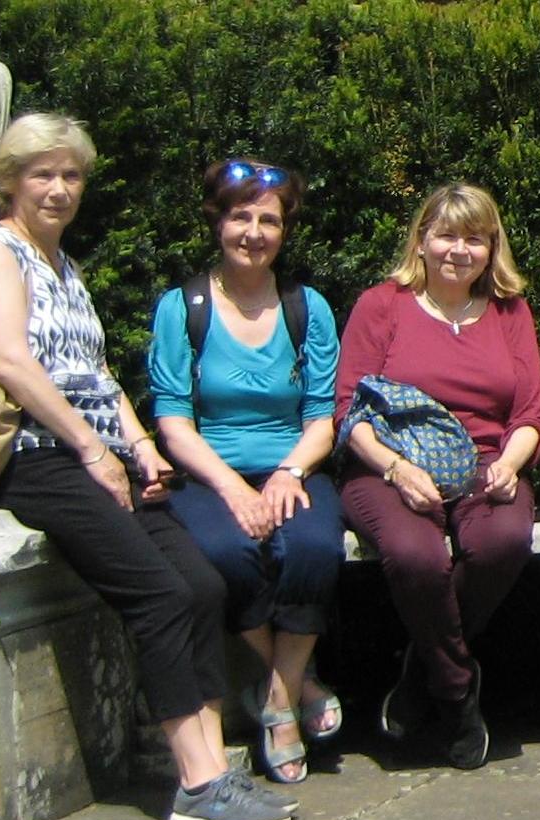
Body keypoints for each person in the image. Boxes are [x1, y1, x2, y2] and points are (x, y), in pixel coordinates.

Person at [0, 113, 291, 820]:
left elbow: (95, 374)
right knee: (161, 594)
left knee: (200, 583)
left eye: (71, 175)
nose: (59, 188)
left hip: (94, 452)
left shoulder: (61, 265)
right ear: (10, 179)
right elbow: (11, 361)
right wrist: (90, 449)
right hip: (34, 455)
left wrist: (138, 445)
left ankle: (211, 766)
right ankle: (197, 784)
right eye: (42, 173)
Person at [145, 157, 342, 785]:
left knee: (312, 547)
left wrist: (288, 473)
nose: (253, 232)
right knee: (226, 552)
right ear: (218, 222)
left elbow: (322, 415)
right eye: (240, 217)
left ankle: (275, 700)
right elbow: (173, 420)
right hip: (211, 474)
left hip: (292, 465)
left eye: (268, 219)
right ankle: (299, 685)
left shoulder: (305, 307)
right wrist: (232, 488)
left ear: (285, 230)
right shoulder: (184, 308)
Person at [339, 182, 540, 772]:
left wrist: (510, 463)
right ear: (423, 240)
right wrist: (397, 468)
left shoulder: (509, 311)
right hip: (388, 463)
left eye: (475, 238)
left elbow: (532, 411)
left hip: (486, 462)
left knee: (502, 541)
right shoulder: (382, 305)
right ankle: (457, 693)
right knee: (415, 556)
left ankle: (420, 667)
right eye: (447, 235)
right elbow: (347, 410)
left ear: (491, 247)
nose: (460, 250)